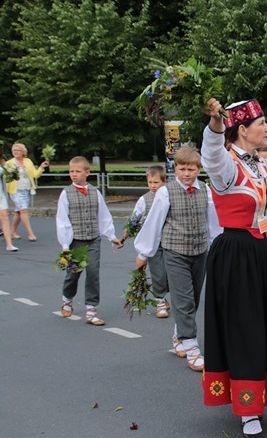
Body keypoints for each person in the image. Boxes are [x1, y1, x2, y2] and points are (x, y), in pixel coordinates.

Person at [200, 98, 267, 438]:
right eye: (262, 123)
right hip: (236, 255)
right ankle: (248, 411)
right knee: (245, 328)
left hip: (266, 253)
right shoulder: (225, 166)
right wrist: (216, 123)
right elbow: (211, 151)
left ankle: (265, 395)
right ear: (242, 130)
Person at [135, 148, 220, 373]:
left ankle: (179, 333)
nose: (186, 173)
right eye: (182, 169)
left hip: (200, 251)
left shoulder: (206, 190)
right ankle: (191, 348)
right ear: (175, 169)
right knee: (183, 299)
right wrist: (144, 253)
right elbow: (154, 223)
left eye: (191, 169)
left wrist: (217, 246)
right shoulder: (166, 192)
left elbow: (212, 221)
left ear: (198, 169)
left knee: (193, 299)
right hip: (174, 252)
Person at [56, 156, 122, 325]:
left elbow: (103, 216)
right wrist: (65, 245)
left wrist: (111, 236)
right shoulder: (66, 194)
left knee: (93, 274)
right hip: (76, 241)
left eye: (78, 171)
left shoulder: (95, 192)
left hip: (93, 240)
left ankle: (91, 310)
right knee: (73, 274)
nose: (74, 174)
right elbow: (63, 220)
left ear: (87, 172)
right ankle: (67, 300)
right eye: (71, 171)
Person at [125, 165, 169, 318]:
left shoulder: (170, 195)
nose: (152, 186)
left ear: (164, 181)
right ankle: (160, 301)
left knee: (170, 273)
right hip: (153, 242)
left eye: (156, 182)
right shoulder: (144, 199)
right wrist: (128, 231)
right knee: (157, 273)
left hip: (170, 240)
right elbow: (135, 218)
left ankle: (166, 296)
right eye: (150, 182)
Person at [6, 142, 48, 241]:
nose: (15, 152)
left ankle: (12, 231)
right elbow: (6, 178)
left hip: (26, 190)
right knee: (24, 210)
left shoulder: (28, 161)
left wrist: (41, 167)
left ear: (23, 152)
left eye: (17, 150)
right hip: (15, 191)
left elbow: (35, 175)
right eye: (13, 150)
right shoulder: (9, 163)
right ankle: (30, 234)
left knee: (19, 212)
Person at [0, 154, 18, 251]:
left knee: (4, 216)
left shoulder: (2, 161)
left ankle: (9, 245)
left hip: (0, 195)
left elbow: (8, 172)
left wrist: (12, 174)